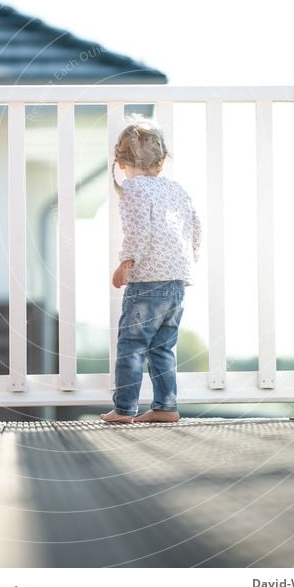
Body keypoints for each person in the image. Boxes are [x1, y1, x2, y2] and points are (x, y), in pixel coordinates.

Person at [100, 115, 202, 424]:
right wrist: (187, 261)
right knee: (163, 347)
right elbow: (195, 227)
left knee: (132, 344)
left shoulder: (134, 189)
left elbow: (138, 229)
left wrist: (126, 262)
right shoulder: (175, 189)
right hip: (176, 280)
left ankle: (124, 409)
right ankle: (166, 407)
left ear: (121, 161)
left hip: (147, 280)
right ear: (160, 160)